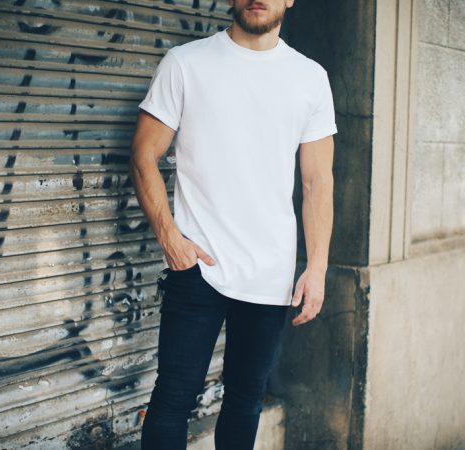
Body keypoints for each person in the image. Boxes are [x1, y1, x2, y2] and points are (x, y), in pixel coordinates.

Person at [129, 0, 337, 448]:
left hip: (270, 272)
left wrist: (316, 267)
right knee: (173, 399)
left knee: (245, 400)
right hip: (197, 267)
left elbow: (318, 181)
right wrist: (170, 236)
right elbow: (145, 154)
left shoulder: (310, 78)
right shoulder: (186, 63)